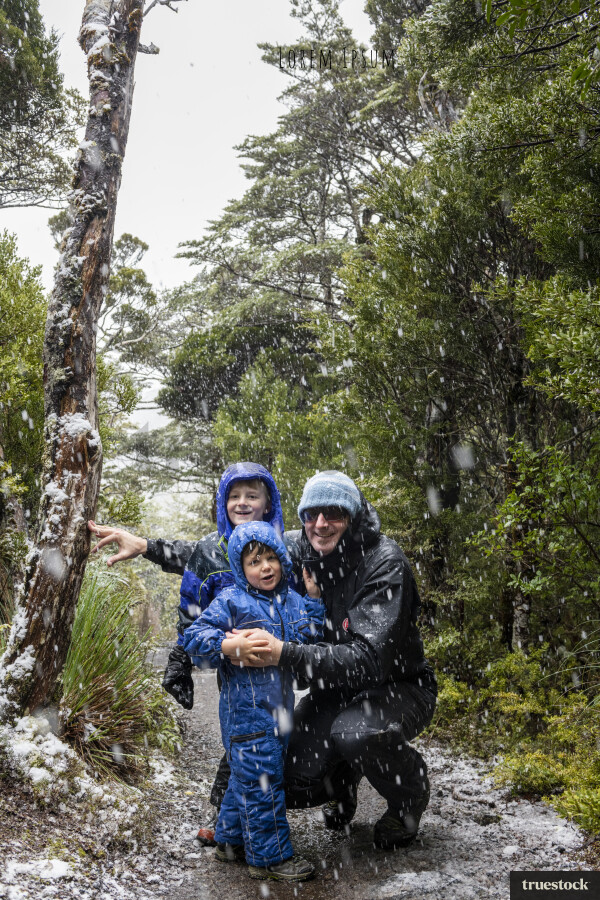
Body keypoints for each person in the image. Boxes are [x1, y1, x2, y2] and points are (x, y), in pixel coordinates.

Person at [228, 470, 437, 850]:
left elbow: (370, 660)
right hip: (335, 691)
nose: (321, 524)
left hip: (399, 686)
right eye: (311, 514)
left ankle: (409, 796)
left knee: (357, 733)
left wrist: (283, 653)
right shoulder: (297, 548)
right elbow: (228, 549)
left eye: (333, 514)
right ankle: (345, 780)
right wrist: (147, 546)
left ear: (352, 516)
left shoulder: (384, 562)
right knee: (285, 776)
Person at [88, 460, 285, 840]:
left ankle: (261, 816)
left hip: (280, 663)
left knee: (274, 736)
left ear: (268, 502)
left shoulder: (284, 545)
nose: (242, 503)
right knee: (243, 736)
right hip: (235, 664)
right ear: (223, 502)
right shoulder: (213, 549)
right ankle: (232, 825)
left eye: (252, 495)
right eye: (234, 496)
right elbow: (191, 597)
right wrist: (183, 655)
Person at [183, 521, 323, 883]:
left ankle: (228, 841)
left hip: (279, 714)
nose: (265, 567)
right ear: (240, 568)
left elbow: (307, 638)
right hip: (245, 714)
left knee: (247, 778)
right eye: (254, 561)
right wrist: (231, 646)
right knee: (263, 782)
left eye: (271, 557)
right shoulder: (233, 600)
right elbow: (194, 637)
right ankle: (269, 856)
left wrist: (314, 600)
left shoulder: (291, 601)